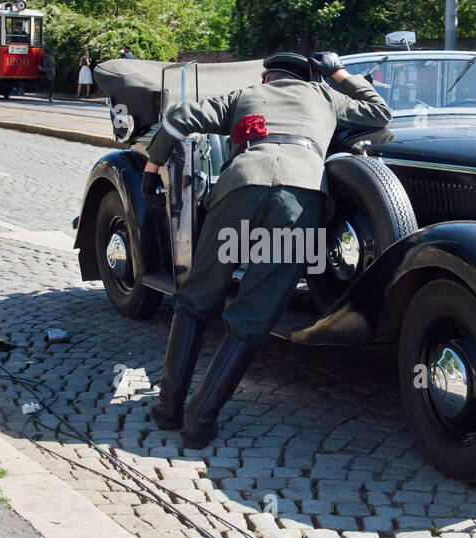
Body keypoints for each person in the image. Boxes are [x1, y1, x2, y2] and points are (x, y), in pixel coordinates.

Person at [143, 51, 391, 449]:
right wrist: (339, 73)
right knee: (253, 316)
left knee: (195, 298)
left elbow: (179, 117)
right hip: (299, 197)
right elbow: (380, 112)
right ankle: (199, 424)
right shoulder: (325, 96)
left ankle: (168, 408)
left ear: (267, 78)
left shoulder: (244, 95)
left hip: (239, 189)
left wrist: (152, 168)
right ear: (312, 77)